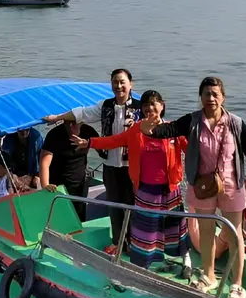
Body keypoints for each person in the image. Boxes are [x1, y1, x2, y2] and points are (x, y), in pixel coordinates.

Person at [140, 76, 246, 298]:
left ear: (223, 97)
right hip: (203, 186)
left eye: (215, 94)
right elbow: (166, 130)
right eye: (206, 94)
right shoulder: (192, 121)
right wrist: (149, 127)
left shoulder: (236, 124)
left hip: (231, 186)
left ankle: (237, 285)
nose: (211, 98)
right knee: (206, 234)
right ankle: (208, 276)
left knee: (235, 234)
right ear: (200, 98)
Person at [72, 90, 190, 273]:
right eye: (145, 105)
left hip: (170, 188)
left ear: (162, 105)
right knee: (146, 230)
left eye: (154, 104)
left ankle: (186, 261)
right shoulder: (136, 129)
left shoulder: (172, 129)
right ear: (141, 109)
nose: (150, 108)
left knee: (175, 227)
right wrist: (89, 143)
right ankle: (144, 266)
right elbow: (114, 140)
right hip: (145, 189)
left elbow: (191, 150)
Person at [43, 69, 140, 254]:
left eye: (122, 82)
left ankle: (135, 243)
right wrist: (58, 117)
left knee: (132, 205)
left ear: (130, 84)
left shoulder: (140, 108)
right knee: (113, 205)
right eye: (115, 82)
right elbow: (82, 113)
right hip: (111, 165)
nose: (119, 86)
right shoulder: (105, 106)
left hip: (132, 166)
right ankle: (118, 242)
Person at [39, 119, 97, 220]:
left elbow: (104, 148)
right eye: (69, 123)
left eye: (75, 123)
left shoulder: (87, 131)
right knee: (59, 219)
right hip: (58, 186)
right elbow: (44, 162)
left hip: (80, 185)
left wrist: (88, 143)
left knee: (79, 219)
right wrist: (45, 186)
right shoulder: (54, 135)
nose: (72, 126)